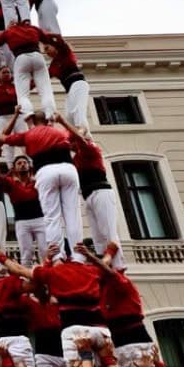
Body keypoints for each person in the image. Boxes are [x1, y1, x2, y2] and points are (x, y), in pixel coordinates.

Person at [0, 111, 82, 263]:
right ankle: (79, 256)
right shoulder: (59, 132)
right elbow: (78, 133)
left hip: (46, 171)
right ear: (46, 120)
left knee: (52, 216)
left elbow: (3, 138)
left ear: (32, 121)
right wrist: (63, 121)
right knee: (72, 215)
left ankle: (57, 256)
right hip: (68, 168)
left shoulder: (28, 135)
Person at [57, 114, 123, 269]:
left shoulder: (91, 148)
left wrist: (62, 122)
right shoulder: (77, 159)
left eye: (72, 141)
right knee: (98, 237)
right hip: (88, 196)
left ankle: (119, 267)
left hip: (101, 192)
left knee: (109, 232)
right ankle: (103, 265)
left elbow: (80, 139)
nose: (70, 144)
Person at [0, 22, 56, 120]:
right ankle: (51, 116)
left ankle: (28, 117)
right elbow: (49, 39)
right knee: (46, 90)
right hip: (37, 56)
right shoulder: (33, 28)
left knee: (23, 95)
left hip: (21, 58)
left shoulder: (8, 31)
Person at [1, 155, 46, 267]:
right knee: (26, 252)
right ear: (15, 168)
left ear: (29, 166)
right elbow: (0, 181)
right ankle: (26, 278)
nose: (22, 165)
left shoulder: (37, 182)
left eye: (24, 163)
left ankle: (48, 275)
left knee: (45, 250)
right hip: (22, 222)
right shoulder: (11, 183)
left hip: (39, 219)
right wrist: (10, 171)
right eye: (19, 163)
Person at [41, 34, 90, 133]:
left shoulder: (64, 52)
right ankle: (76, 137)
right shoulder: (53, 66)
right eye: (45, 51)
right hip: (69, 90)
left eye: (47, 48)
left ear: (53, 45)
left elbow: (59, 39)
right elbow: (42, 79)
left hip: (78, 84)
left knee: (78, 110)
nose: (46, 52)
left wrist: (43, 35)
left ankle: (83, 132)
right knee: (69, 116)